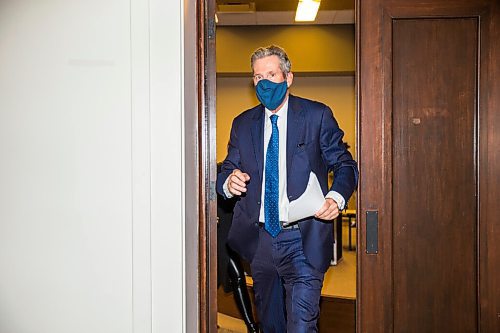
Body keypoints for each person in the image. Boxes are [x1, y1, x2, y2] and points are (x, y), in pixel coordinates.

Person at [216, 45, 358, 332]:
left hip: (302, 239)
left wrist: (337, 196)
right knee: (271, 325)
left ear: (288, 77)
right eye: (257, 77)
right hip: (261, 243)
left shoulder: (317, 116)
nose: (264, 82)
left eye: (271, 74)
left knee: (302, 326)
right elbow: (227, 170)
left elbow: (345, 164)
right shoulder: (242, 124)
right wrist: (229, 182)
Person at [217, 163, 260, 333]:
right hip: (220, 232)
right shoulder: (219, 170)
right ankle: (252, 327)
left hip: (237, 231)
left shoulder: (252, 173)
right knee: (237, 277)